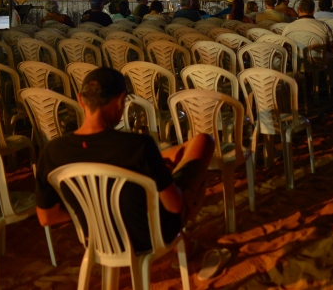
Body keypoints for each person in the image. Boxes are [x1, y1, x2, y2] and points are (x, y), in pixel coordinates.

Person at [35, 67, 214, 254]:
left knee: (160, 163)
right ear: (121, 100)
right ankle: (182, 243)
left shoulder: (52, 152)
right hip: (150, 237)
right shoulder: (139, 146)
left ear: (81, 100)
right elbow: (174, 206)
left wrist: (92, 210)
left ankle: (157, 171)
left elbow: (46, 217)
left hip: (98, 239)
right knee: (203, 142)